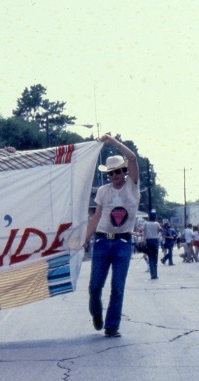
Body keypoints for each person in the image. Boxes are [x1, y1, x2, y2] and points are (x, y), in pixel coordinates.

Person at [84, 135, 140, 338]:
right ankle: (96, 314)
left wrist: (112, 142)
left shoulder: (132, 187)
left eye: (119, 171)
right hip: (101, 240)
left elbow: (132, 158)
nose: (115, 175)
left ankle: (112, 325)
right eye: (111, 173)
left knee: (117, 286)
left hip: (123, 242)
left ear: (125, 172)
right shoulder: (103, 191)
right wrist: (85, 238)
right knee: (95, 286)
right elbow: (96, 216)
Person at [142, 212, 162, 279]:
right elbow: (161, 229)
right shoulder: (156, 223)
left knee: (150, 257)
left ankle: (152, 274)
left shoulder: (146, 223)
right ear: (155, 217)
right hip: (155, 240)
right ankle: (155, 274)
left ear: (149, 217)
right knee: (155, 258)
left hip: (148, 241)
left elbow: (142, 230)